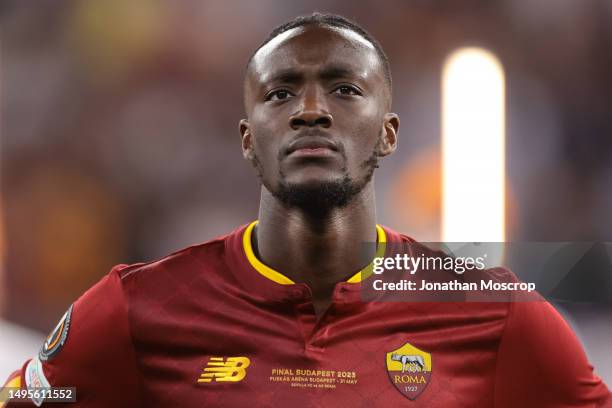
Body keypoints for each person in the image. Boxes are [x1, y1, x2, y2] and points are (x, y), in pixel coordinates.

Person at [2, 12, 610, 408]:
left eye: (345, 89)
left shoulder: (496, 313)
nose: (310, 109)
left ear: (391, 131)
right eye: (281, 92)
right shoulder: (134, 310)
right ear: (247, 136)